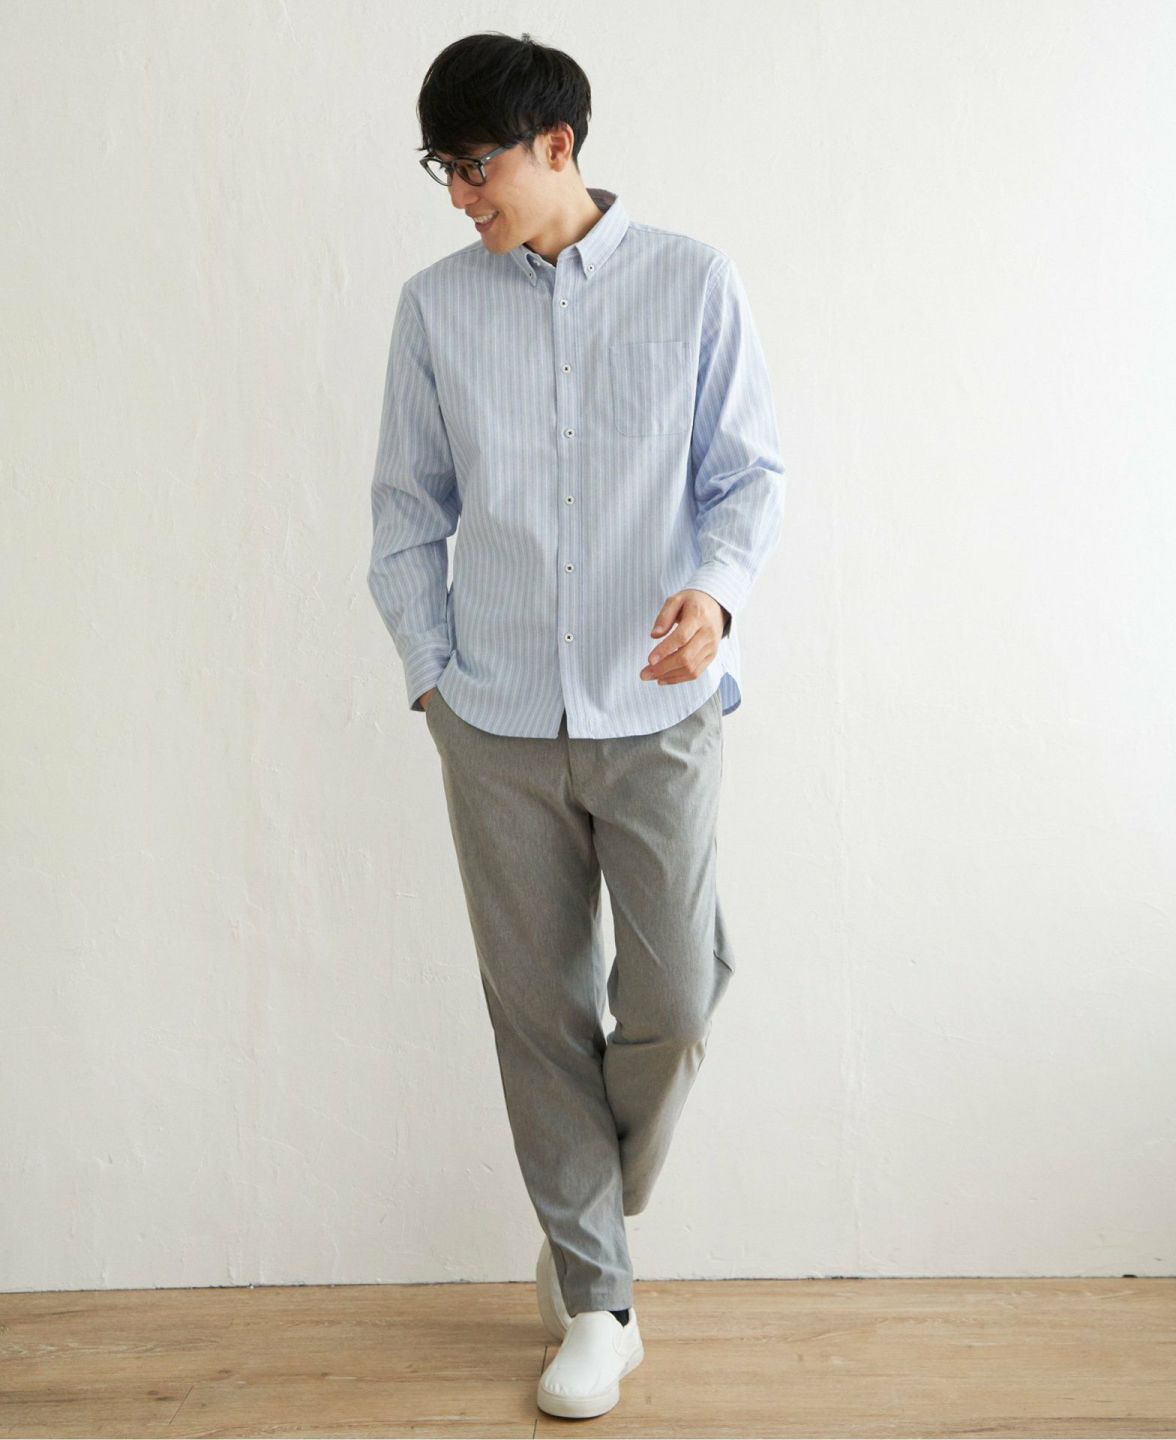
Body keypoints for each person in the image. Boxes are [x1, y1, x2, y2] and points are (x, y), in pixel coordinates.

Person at [367, 29, 785, 1420]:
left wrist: (716, 597)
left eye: (472, 165)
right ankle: (599, 1298)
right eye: (440, 169)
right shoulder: (435, 309)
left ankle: (582, 1213)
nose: (456, 196)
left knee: (678, 994)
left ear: (557, 145)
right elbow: (407, 510)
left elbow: (747, 478)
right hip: (490, 715)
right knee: (537, 1009)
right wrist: (431, 676)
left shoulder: (693, 282)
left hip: (656, 708)